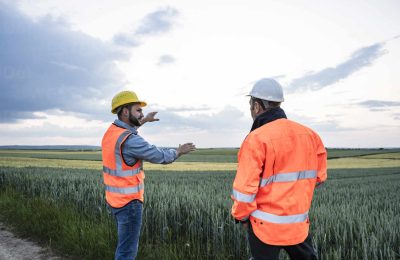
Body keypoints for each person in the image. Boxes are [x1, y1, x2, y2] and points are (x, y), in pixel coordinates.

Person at [231, 78, 327, 260]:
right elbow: (319, 178)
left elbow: (244, 191)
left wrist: (241, 217)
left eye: (250, 104)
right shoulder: (311, 135)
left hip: (263, 227)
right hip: (298, 225)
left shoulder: (256, 139)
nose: (251, 109)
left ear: (257, 106)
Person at [102, 90, 196, 260]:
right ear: (125, 111)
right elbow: (158, 155)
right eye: (138, 110)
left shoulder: (111, 132)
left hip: (113, 200)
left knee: (123, 246)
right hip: (129, 203)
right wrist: (178, 151)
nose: (142, 113)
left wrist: (144, 120)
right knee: (127, 252)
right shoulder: (131, 141)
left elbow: (128, 129)